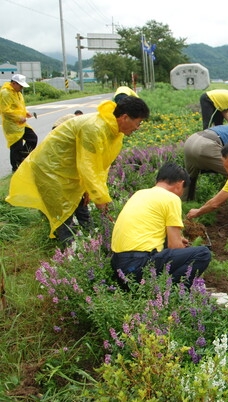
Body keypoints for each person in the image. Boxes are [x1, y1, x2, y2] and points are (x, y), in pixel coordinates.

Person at [6, 96, 150, 243]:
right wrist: (99, 198)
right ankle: (71, 251)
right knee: (64, 216)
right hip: (50, 169)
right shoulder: (95, 128)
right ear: (125, 117)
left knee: (82, 205)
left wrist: (90, 191)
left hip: (69, 169)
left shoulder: (113, 131)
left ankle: (94, 242)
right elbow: (88, 167)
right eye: (138, 123)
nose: (137, 127)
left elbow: (100, 166)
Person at [111, 162, 211, 289]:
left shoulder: (139, 193)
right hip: (138, 266)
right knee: (202, 253)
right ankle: (169, 291)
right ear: (180, 184)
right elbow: (174, 246)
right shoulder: (171, 198)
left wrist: (177, 241)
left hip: (119, 266)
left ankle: (154, 289)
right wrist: (181, 248)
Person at [0, 74, 38, 172]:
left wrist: (25, 113)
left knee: (32, 138)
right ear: (13, 83)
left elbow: (18, 107)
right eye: (20, 86)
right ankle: (16, 168)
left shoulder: (18, 93)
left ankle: (22, 159)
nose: (21, 88)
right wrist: (18, 117)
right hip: (12, 125)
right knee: (16, 146)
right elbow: (5, 110)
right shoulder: (6, 93)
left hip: (21, 123)